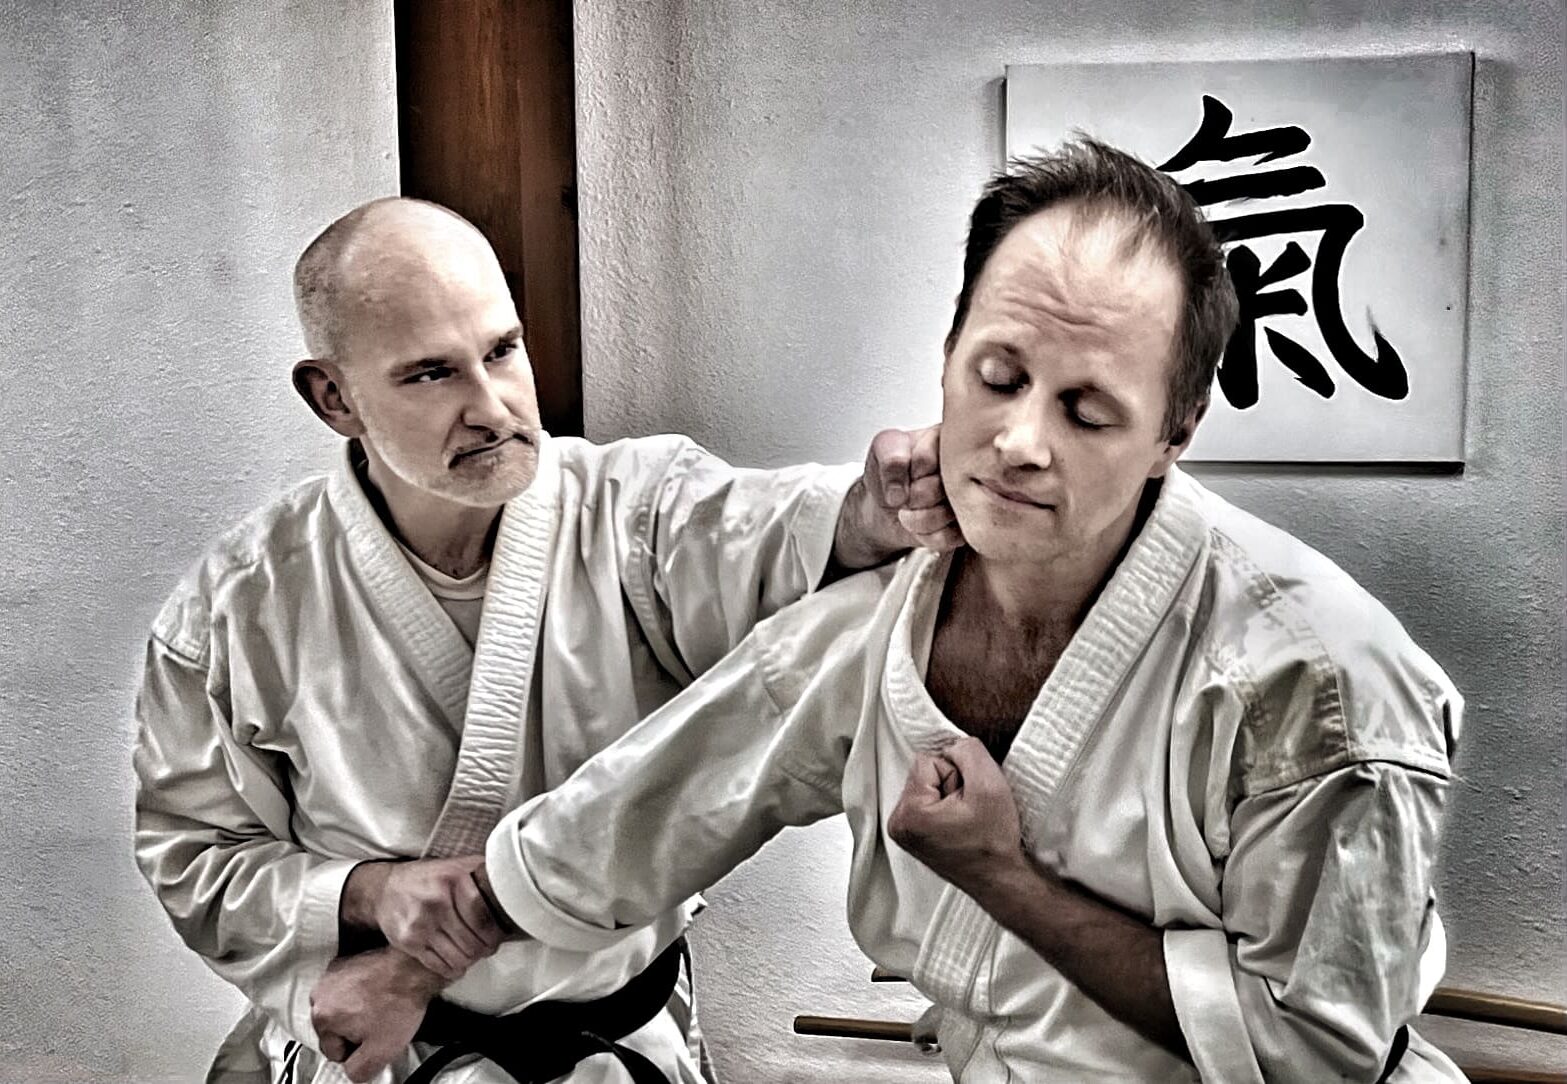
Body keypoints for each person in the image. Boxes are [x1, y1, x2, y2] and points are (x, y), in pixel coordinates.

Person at [468, 141, 1467, 1082]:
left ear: (1175, 430)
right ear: (947, 353)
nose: (1019, 441)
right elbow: (665, 792)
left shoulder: (1317, 677)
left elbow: (1312, 1051)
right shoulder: (891, 610)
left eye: (1086, 411)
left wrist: (1002, 875)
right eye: (997, 377)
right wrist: (447, 928)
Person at [131, 197, 957, 1084]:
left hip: (614, 1049)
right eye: (430, 375)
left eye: (501, 351)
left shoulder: (636, 510)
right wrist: (369, 893)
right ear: (334, 397)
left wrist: (874, 510)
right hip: (394, 1058)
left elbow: (776, 536)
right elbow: (194, 855)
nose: (492, 409)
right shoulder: (241, 605)